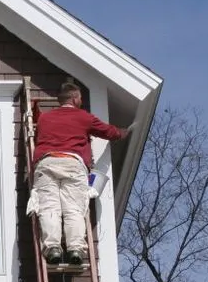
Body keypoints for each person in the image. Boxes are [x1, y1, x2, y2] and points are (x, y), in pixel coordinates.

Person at [30, 81, 134, 265]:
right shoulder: (84, 117)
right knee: (73, 209)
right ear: (75, 98)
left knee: (49, 208)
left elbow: (39, 123)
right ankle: (75, 249)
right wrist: (124, 132)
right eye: (80, 97)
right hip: (72, 164)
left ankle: (53, 247)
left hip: (47, 163)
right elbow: (109, 132)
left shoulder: (45, 118)